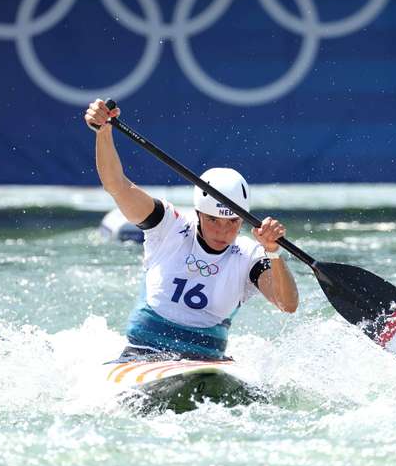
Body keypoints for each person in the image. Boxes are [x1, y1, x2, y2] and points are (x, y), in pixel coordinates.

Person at [84, 99, 299, 362]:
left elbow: (287, 305)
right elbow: (116, 185)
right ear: (197, 214)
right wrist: (103, 132)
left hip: (206, 362)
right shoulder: (168, 224)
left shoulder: (251, 254)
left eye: (232, 222)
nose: (223, 231)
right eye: (213, 220)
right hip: (143, 355)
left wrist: (273, 251)